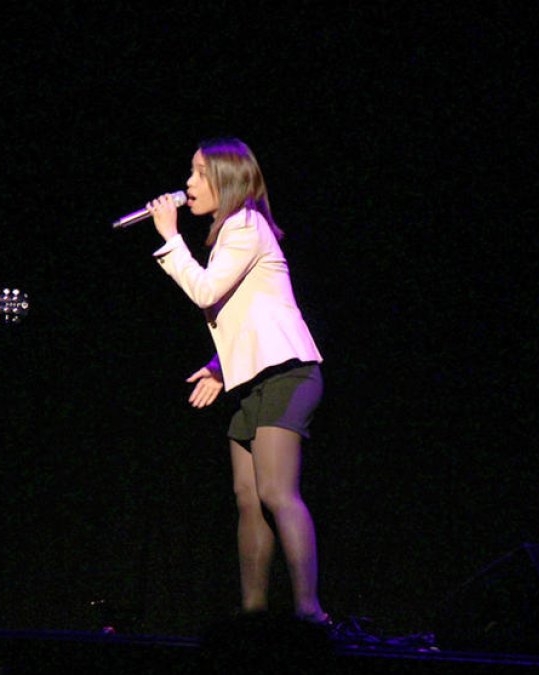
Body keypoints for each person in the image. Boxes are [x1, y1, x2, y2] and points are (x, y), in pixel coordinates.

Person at [146, 138, 329, 624]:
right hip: (252, 380)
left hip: (288, 373)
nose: (188, 183)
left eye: (198, 172)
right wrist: (218, 366)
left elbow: (206, 291)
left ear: (225, 179)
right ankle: (253, 616)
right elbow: (246, 314)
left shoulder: (247, 224)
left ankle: (310, 614)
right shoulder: (230, 232)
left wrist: (170, 237)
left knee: (275, 491)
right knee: (247, 498)